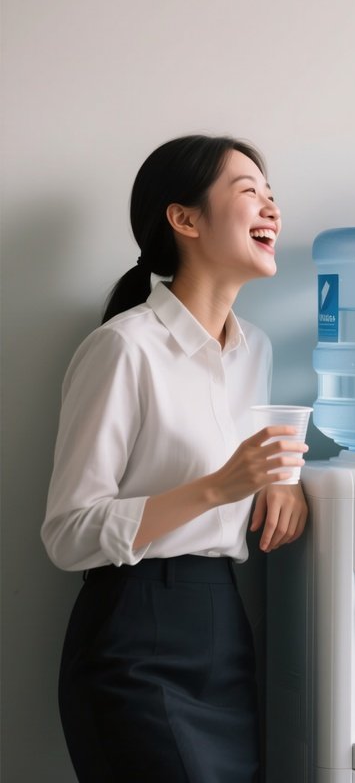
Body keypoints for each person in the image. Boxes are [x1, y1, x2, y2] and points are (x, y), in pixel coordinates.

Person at [41, 135, 309, 783]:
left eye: (272, 195)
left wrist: (286, 485)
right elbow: (68, 534)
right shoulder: (123, 348)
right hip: (133, 634)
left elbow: (255, 461)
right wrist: (219, 488)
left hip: (223, 622)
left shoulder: (258, 352)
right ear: (184, 219)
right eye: (249, 193)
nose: (270, 208)